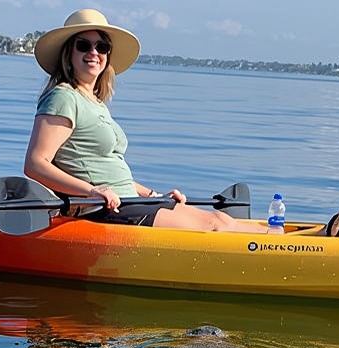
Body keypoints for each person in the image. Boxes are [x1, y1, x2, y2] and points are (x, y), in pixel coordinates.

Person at [25, 9, 267, 233]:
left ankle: (279, 237)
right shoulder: (63, 97)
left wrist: (152, 194)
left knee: (223, 220)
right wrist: (91, 191)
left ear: (108, 55)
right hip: (102, 210)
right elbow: (36, 164)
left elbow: (110, 172)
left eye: (102, 46)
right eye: (83, 45)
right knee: (214, 225)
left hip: (129, 201)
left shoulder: (94, 102)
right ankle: (282, 248)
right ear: (69, 53)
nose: (94, 53)